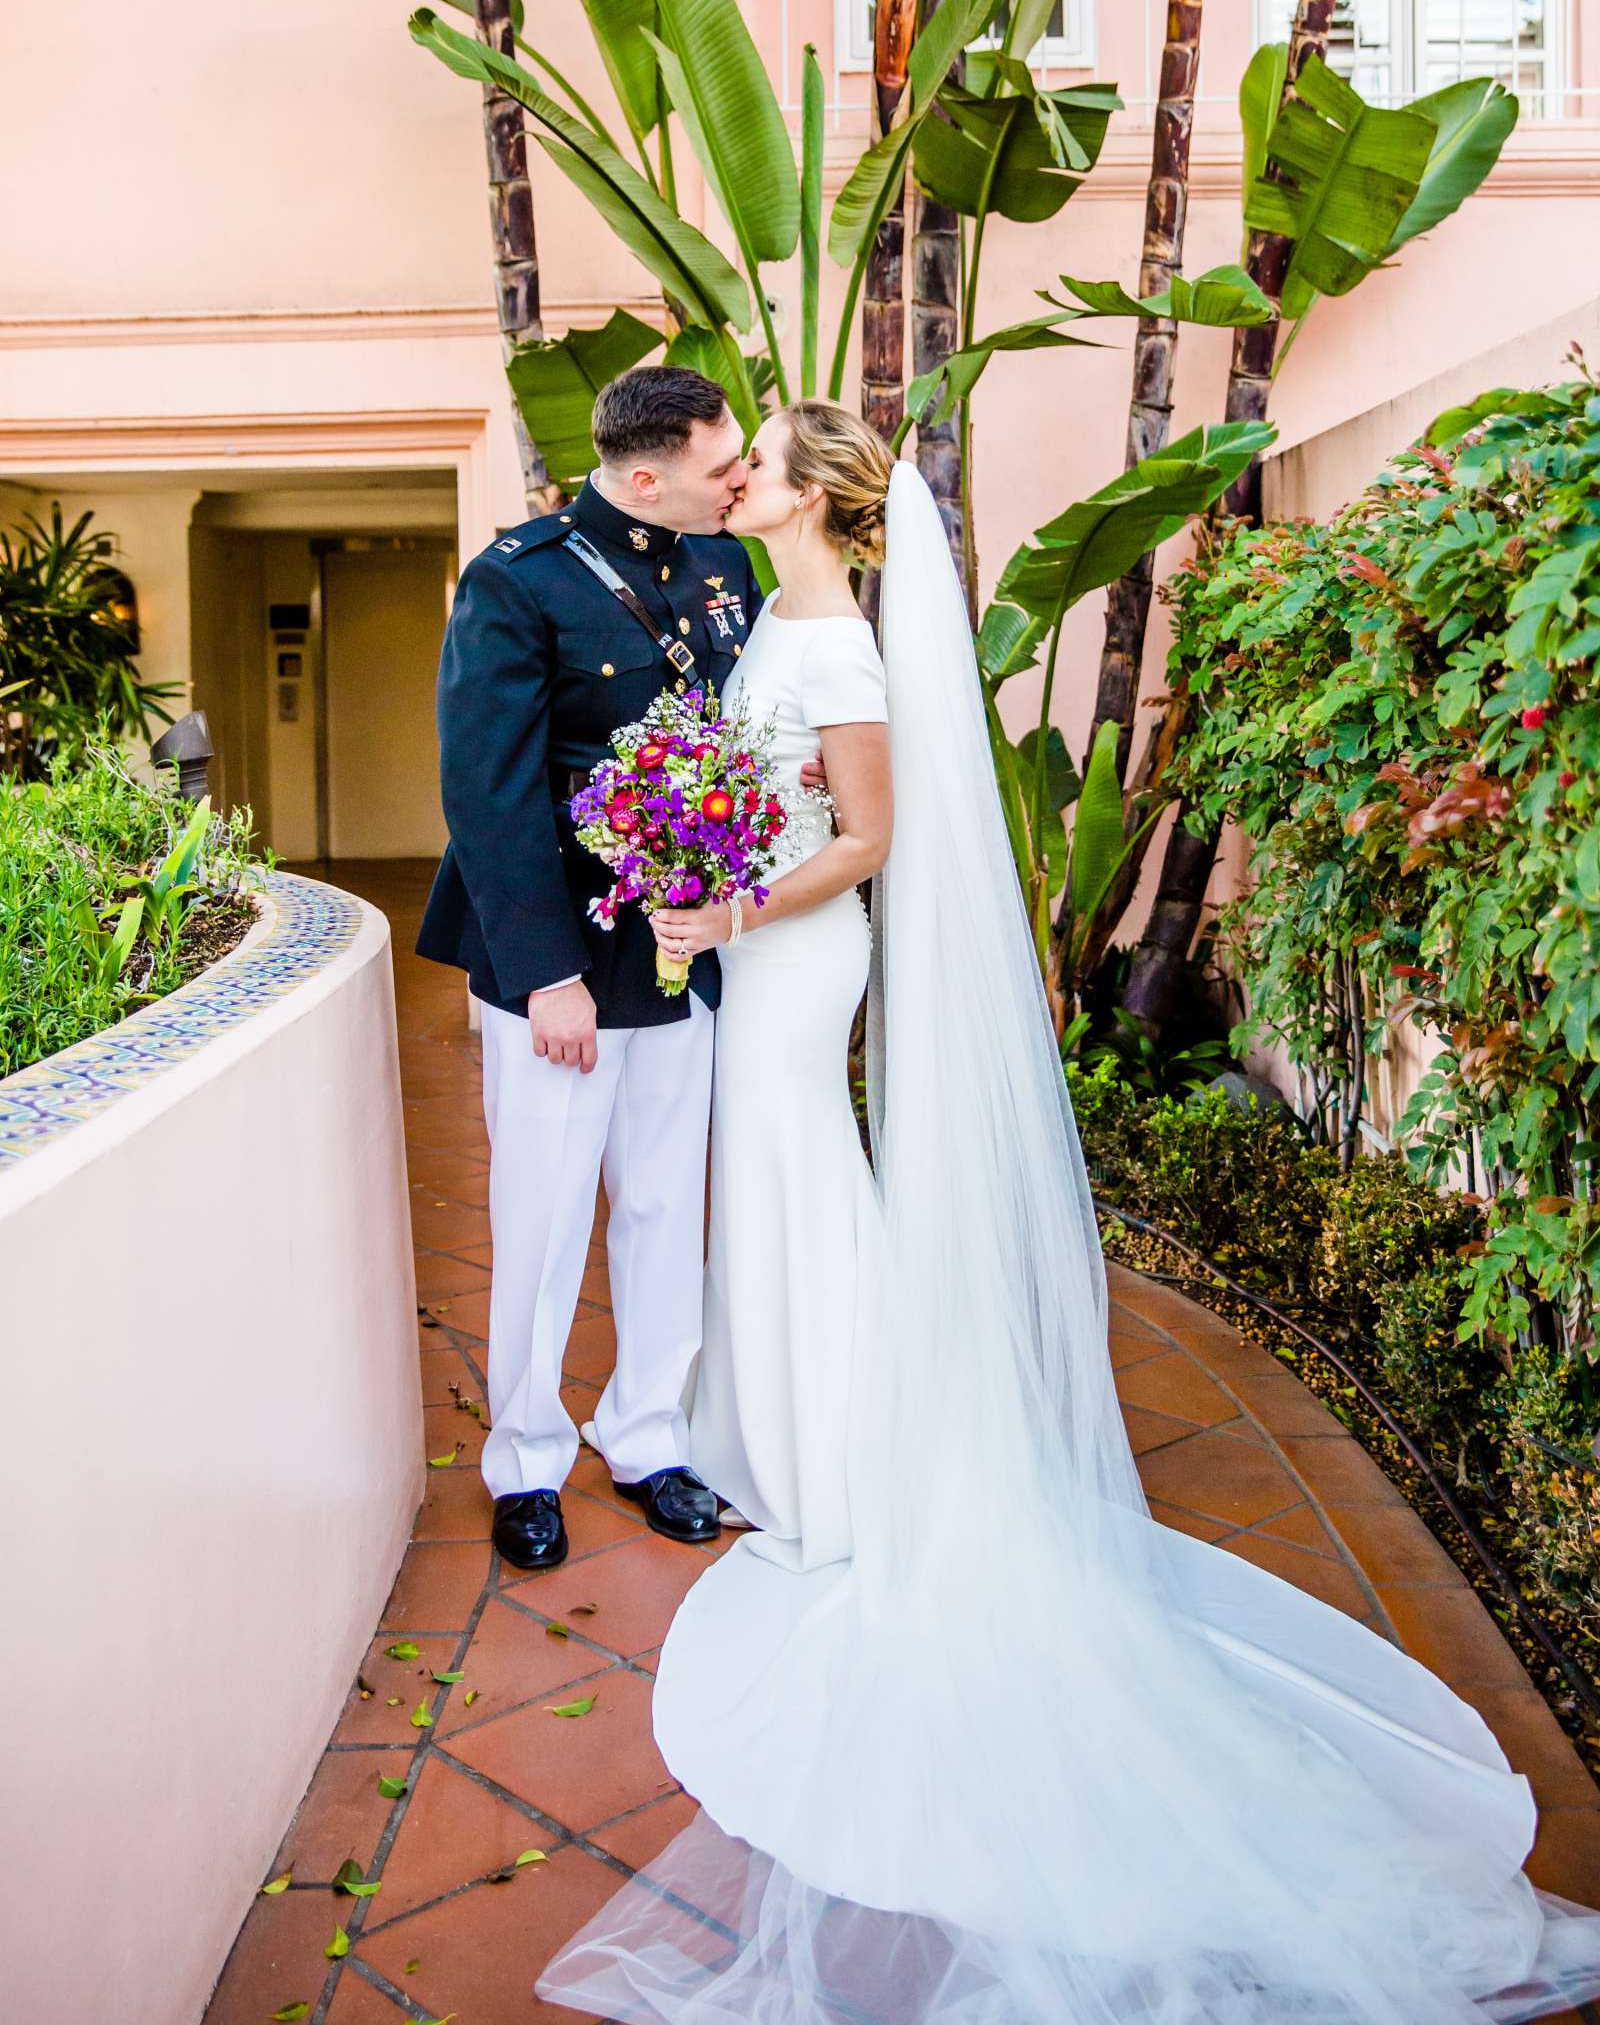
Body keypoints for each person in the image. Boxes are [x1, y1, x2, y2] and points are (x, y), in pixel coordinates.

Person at [537, 403, 1600, 2025]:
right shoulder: (783, 622)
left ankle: (846, 1466)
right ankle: (805, 1445)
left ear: (819, 493)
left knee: (800, 1171)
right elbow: (778, 801)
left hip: (795, 958)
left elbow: (872, 838)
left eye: (756, 459)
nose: (732, 473)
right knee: (775, 1188)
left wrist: (733, 896)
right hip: (757, 950)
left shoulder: (831, 648)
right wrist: (695, 849)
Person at [416, 366, 766, 1571]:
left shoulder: (725, 566)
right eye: (726, 465)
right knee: (547, 1213)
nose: (743, 482)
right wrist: (545, 975)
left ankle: (648, 1437)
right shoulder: (519, 580)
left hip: (680, 945)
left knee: (667, 1208)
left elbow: (731, 740)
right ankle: (524, 1455)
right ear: (644, 473)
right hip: (557, 957)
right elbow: (489, 790)